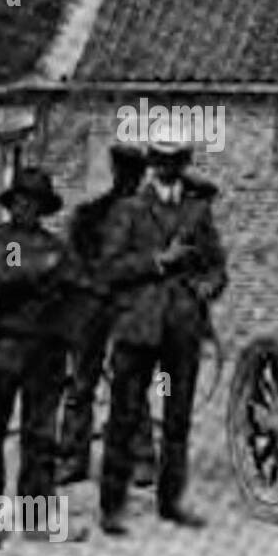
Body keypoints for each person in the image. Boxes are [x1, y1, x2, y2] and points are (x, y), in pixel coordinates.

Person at [96, 132, 227, 535]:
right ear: (151, 161)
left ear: (185, 161)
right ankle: (112, 506)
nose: (169, 167)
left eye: (177, 159)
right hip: (138, 330)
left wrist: (207, 287)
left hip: (181, 334)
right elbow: (111, 268)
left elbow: (218, 265)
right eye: (161, 159)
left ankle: (171, 500)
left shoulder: (198, 211)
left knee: (176, 417)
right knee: (125, 415)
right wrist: (158, 261)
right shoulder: (129, 210)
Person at [0, 168, 89, 548]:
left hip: (46, 353)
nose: (27, 209)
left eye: (34, 203)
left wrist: (72, 345)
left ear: (42, 207)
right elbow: (0, 274)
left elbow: (78, 290)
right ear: (11, 203)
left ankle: (38, 519)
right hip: (4, 347)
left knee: (40, 437)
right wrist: (42, 270)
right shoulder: (1, 241)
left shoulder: (56, 245)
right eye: (21, 201)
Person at [59, 142, 153, 487]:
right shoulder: (90, 214)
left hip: (129, 308)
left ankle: (141, 458)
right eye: (125, 173)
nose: (130, 179)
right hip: (91, 307)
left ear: (142, 176)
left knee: (131, 383)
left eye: (136, 174)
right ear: (116, 173)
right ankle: (72, 458)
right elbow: (72, 261)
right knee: (81, 383)